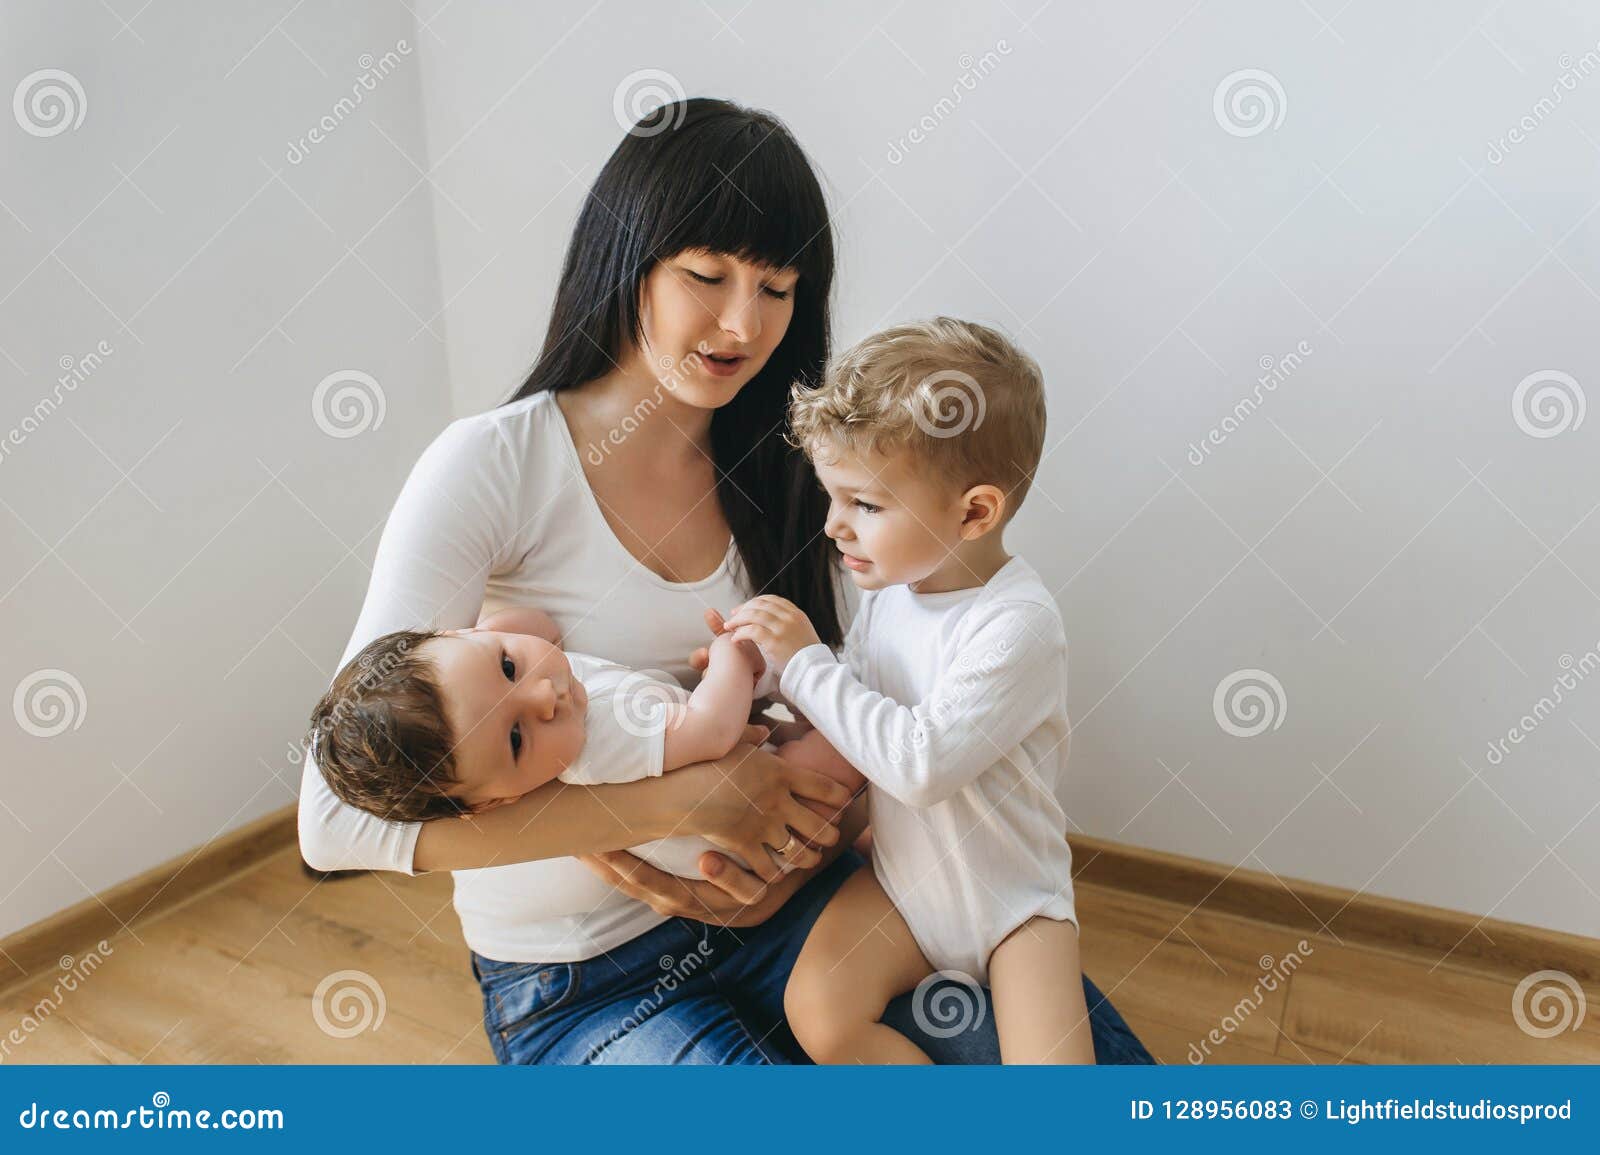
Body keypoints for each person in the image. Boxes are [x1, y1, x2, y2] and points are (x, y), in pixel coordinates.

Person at [296, 96, 1153, 1064]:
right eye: (707, 275)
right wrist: (678, 806)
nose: (744, 323)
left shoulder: (808, 474)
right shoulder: (493, 466)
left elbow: (864, 715)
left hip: (806, 915)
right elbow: (335, 825)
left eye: (778, 289)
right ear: (629, 261)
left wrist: (809, 847)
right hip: (584, 980)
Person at [720, 317, 1092, 1064]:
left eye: (866, 504)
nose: (833, 525)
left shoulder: (1018, 623)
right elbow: (853, 697)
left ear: (975, 511)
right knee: (818, 1009)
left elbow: (919, 765)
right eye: (833, 497)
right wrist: (764, 678)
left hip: (1014, 909)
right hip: (902, 889)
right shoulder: (894, 592)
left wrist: (807, 667)